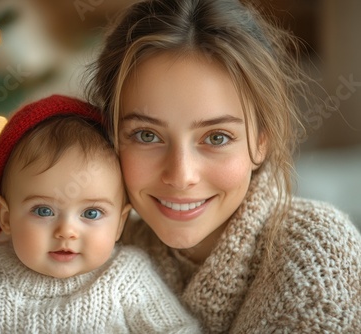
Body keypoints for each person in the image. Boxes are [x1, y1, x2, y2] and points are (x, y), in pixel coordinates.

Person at [85, 0, 361, 332]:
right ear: (111, 137)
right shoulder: (92, 249)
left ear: (262, 141)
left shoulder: (316, 253)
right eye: (147, 135)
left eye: (216, 137)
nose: (181, 175)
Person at [0, 95, 201, 333]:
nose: (67, 231)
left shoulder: (127, 277)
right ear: (6, 217)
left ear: (120, 222)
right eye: (43, 210)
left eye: (91, 213)